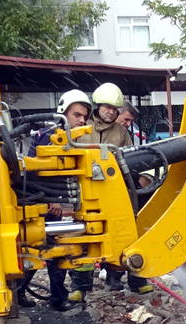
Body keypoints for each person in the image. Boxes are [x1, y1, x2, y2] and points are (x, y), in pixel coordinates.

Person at [66, 83, 152, 297]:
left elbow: (132, 161)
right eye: (107, 108)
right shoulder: (81, 128)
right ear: (97, 106)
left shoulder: (122, 132)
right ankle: (80, 288)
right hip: (87, 193)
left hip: (115, 193)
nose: (111, 112)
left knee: (124, 235)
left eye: (115, 109)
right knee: (85, 238)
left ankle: (127, 280)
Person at [19, 88, 93, 311]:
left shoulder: (72, 140)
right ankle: (33, 293)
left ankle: (50, 296)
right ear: (63, 112)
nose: (81, 120)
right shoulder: (48, 135)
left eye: (84, 116)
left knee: (52, 247)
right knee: (43, 247)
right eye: (77, 115)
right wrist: (50, 200)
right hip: (41, 202)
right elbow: (32, 172)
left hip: (55, 202)